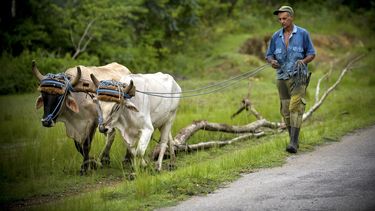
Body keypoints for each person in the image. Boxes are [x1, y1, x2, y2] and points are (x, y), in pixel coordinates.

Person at [265, 6, 316, 153]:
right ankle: (293, 140)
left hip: (298, 77)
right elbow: (269, 55)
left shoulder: (303, 34)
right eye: (280, 19)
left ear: (291, 17)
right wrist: (272, 61)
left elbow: (312, 54)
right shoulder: (275, 36)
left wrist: (304, 61)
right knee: (286, 111)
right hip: (281, 77)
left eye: (284, 18)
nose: (282, 21)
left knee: (295, 107)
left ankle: (293, 142)